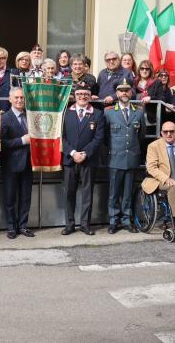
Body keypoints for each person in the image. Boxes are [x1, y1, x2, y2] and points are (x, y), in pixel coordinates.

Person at [61, 84, 105, 235]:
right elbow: (61, 137)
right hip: (70, 159)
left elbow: (99, 138)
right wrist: (73, 153)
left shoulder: (98, 114)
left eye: (85, 94)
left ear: (90, 96)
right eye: (79, 94)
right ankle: (69, 224)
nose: (82, 96)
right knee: (69, 193)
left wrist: (85, 153)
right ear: (74, 95)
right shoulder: (66, 113)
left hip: (88, 160)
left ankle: (85, 224)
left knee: (87, 194)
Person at [104, 79, 146, 233]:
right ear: (117, 93)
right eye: (121, 90)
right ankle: (114, 220)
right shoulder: (109, 112)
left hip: (131, 158)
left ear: (131, 92)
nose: (124, 93)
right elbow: (105, 137)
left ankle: (127, 220)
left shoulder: (139, 111)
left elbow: (141, 135)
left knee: (128, 191)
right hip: (115, 157)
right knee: (114, 193)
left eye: (127, 90)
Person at [0, 87, 34, 239]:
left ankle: (23, 225)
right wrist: (21, 140)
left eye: (22, 98)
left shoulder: (30, 116)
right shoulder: (5, 118)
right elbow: (2, 143)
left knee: (26, 196)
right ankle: (11, 227)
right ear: (10, 99)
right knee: (10, 197)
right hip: (11, 163)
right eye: (17, 98)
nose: (20, 100)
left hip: (28, 162)